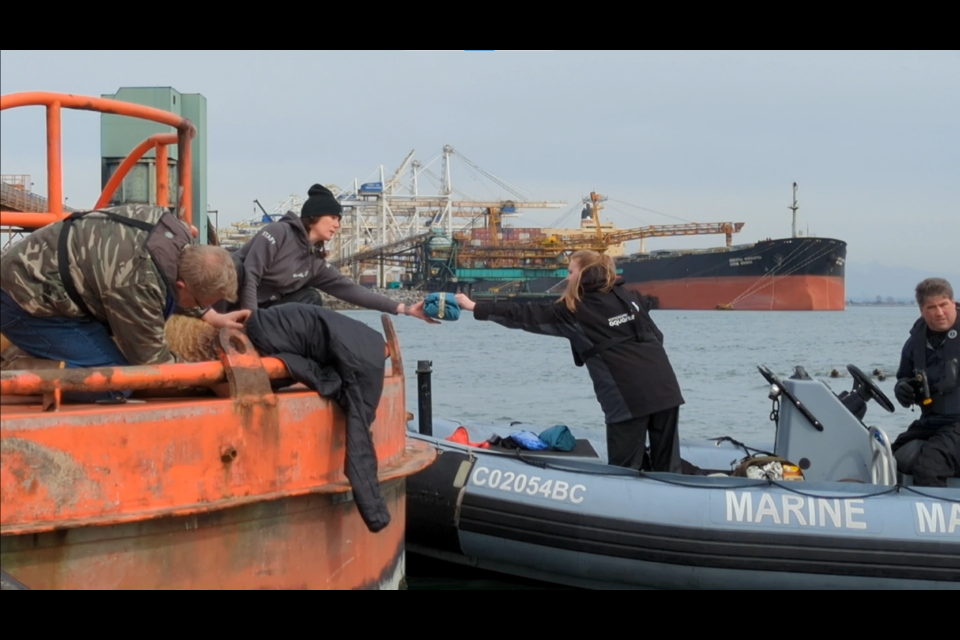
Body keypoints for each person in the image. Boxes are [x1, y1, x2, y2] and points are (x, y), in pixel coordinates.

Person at [455, 250, 685, 473]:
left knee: (624, 470)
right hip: (666, 387)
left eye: (570, 271)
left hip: (627, 396)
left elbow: (524, 314)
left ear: (583, 274)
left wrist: (475, 306)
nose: (567, 277)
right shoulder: (630, 297)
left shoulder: (574, 310)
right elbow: (657, 337)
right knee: (668, 464)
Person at [0, 203, 239, 372]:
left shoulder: (168, 227)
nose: (202, 307)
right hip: (22, 299)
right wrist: (208, 377)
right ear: (181, 285)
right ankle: (14, 370)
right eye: (200, 302)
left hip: (43, 276)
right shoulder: (137, 283)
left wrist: (211, 316)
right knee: (116, 381)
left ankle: (37, 350)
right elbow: (155, 364)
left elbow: (171, 283)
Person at [214, 183, 434, 323]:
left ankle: (281, 348)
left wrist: (404, 308)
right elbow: (251, 275)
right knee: (235, 266)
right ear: (315, 216)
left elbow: (351, 291)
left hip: (264, 312)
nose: (337, 225)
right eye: (334, 218)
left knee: (311, 298)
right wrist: (251, 323)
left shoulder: (314, 263)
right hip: (229, 305)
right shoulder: (278, 232)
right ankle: (216, 329)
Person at [891, 277, 959, 487]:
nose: (939, 313)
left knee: (929, 466)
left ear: (953, 303)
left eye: (943, 305)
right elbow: (903, 376)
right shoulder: (915, 343)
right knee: (889, 457)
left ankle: (941, 518)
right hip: (932, 422)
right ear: (921, 310)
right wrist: (902, 388)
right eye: (931, 307)